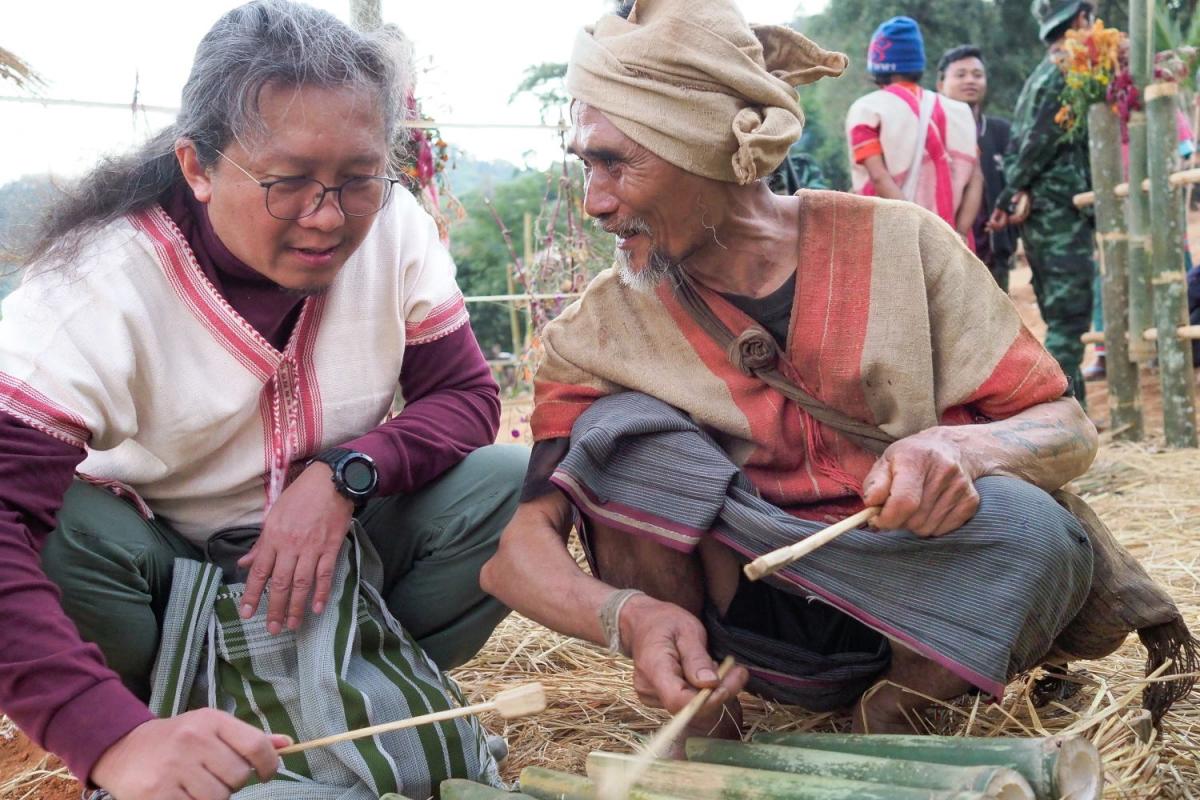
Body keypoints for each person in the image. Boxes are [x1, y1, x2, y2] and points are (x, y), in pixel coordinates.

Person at [481, 0, 1108, 743]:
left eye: (615, 163)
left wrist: (960, 450)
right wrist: (631, 618)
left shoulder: (903, 245)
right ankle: (708, 722)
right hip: (745, 629)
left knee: (1041, 529)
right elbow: (515, 558)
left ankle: (901, 710)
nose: (594, 202)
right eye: (586, 164)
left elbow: (1066, 425)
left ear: (710, 149)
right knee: (619, 436)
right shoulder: (595, 333)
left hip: (931, 614)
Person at [0, 2, 526, 799]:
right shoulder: (97, 289)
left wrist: (347, 475)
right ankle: (165, 723)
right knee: (57, 530)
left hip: (340, 568)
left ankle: (350, 682)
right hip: (156, 579)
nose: (327, 217)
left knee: (510, 486)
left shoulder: (392, 229)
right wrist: (105, 736)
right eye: (286, 183)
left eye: (357, 180)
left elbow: (462, 394)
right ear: (198, 167)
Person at [991, 0, 1096, 400]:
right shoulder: (1065, 69)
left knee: (1062, 316)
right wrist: (1009, 190)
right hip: (1059, 214)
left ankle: (1072, 412)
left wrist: (1010, 190)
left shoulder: (1043, 72)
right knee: (1069, 319)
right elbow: (1038, 141)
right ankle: (1062, 414)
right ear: (1082, 19)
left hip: (1048, 211)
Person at [845, 17, 983, 240]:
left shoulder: (867, 110)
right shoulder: (959, 111)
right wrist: (960, 232)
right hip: (954, 244)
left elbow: (879, 178)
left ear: (877, 65)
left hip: (896, 241)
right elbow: (976, 179)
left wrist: (920, 233)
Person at [937, 45, 1017, 292]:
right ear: (940, 84)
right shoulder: (930, 132)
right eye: (960, 75)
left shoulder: (1002, 132)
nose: (970, 80)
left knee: (997, 327)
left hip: (994, 257)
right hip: (942, 257)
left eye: (977, 75)